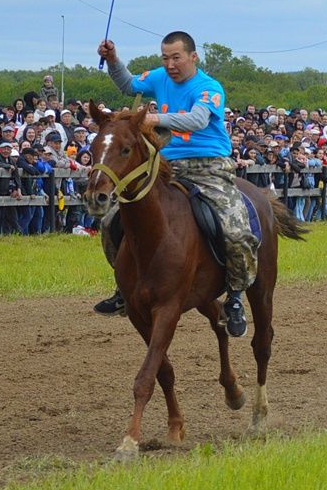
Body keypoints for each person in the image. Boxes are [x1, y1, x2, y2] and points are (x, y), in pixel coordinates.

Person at [94, 31, 258, 338]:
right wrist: (113, 60)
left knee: (236, 231)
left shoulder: (209, 88)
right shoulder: (158, 77)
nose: (170, 64)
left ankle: (235, 296)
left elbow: (197, 120)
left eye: (176, 57)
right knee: (110, 221)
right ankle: (124, 287)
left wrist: (155, 120)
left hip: (209, 167)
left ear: (193, 57)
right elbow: (128, 84)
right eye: (165, 58)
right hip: (167, 165)